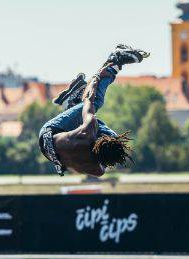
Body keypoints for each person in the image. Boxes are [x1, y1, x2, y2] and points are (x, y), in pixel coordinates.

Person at [39, 44, 150, 177]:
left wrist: (98, 76)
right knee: (113, 137)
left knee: (96, 102)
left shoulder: (88, 130)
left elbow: (89, 99)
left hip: (50, 133)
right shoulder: (98, 170)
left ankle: (115, 60)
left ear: (97, 142)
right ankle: (71, 103)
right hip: (54, 156)